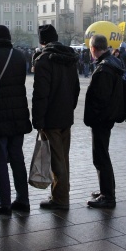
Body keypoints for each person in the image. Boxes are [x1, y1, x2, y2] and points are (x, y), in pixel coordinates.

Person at [0, 25, 32, 215]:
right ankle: (23, 199)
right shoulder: (19, 55)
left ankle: (4, 202)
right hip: (18, 115)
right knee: (17, 158)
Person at [32, 24, 80, 210]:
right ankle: (59, 194)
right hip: (66, 116)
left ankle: (60, 199)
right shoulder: (69, 58)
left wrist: (38, 119)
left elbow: (40, 94)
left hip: (50, 118)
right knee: (63, 158)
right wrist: (70, 108)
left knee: (56, 160)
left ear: (42, 40)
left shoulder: (44, 60)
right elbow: (76, 89)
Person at [84, 34, 125, 209]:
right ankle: (106, 189)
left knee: (100, 157)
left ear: (93, 49)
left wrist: (94, 117)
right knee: (103, 155)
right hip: (108, 117)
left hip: (102, 119)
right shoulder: (114, 63)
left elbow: (100, 99)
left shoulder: (104, 69)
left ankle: (108, 196)